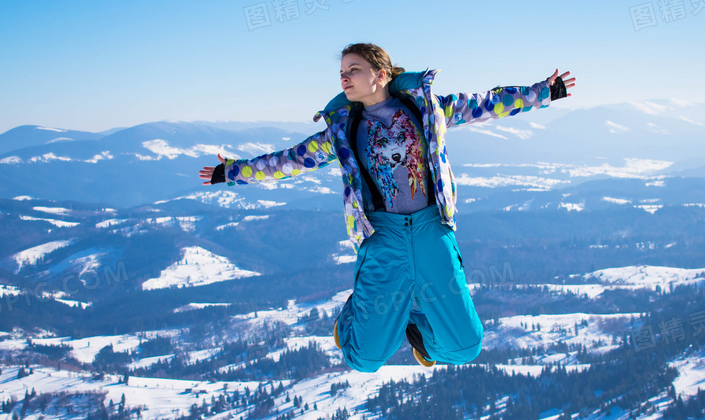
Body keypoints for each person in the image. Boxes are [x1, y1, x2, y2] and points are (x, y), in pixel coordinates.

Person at [199, 42, 575, 372]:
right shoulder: (343, 129)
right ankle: (355, 311)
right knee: (364, 359)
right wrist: (230, 171)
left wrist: (546, 91)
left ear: (380, 74)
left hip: (432, 230)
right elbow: (289, 161)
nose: (344, 77)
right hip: (383, 238)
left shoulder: (427, 108)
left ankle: (419, 333)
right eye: (342, 72)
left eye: (354, 69)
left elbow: (488, 103)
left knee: (465, 347)